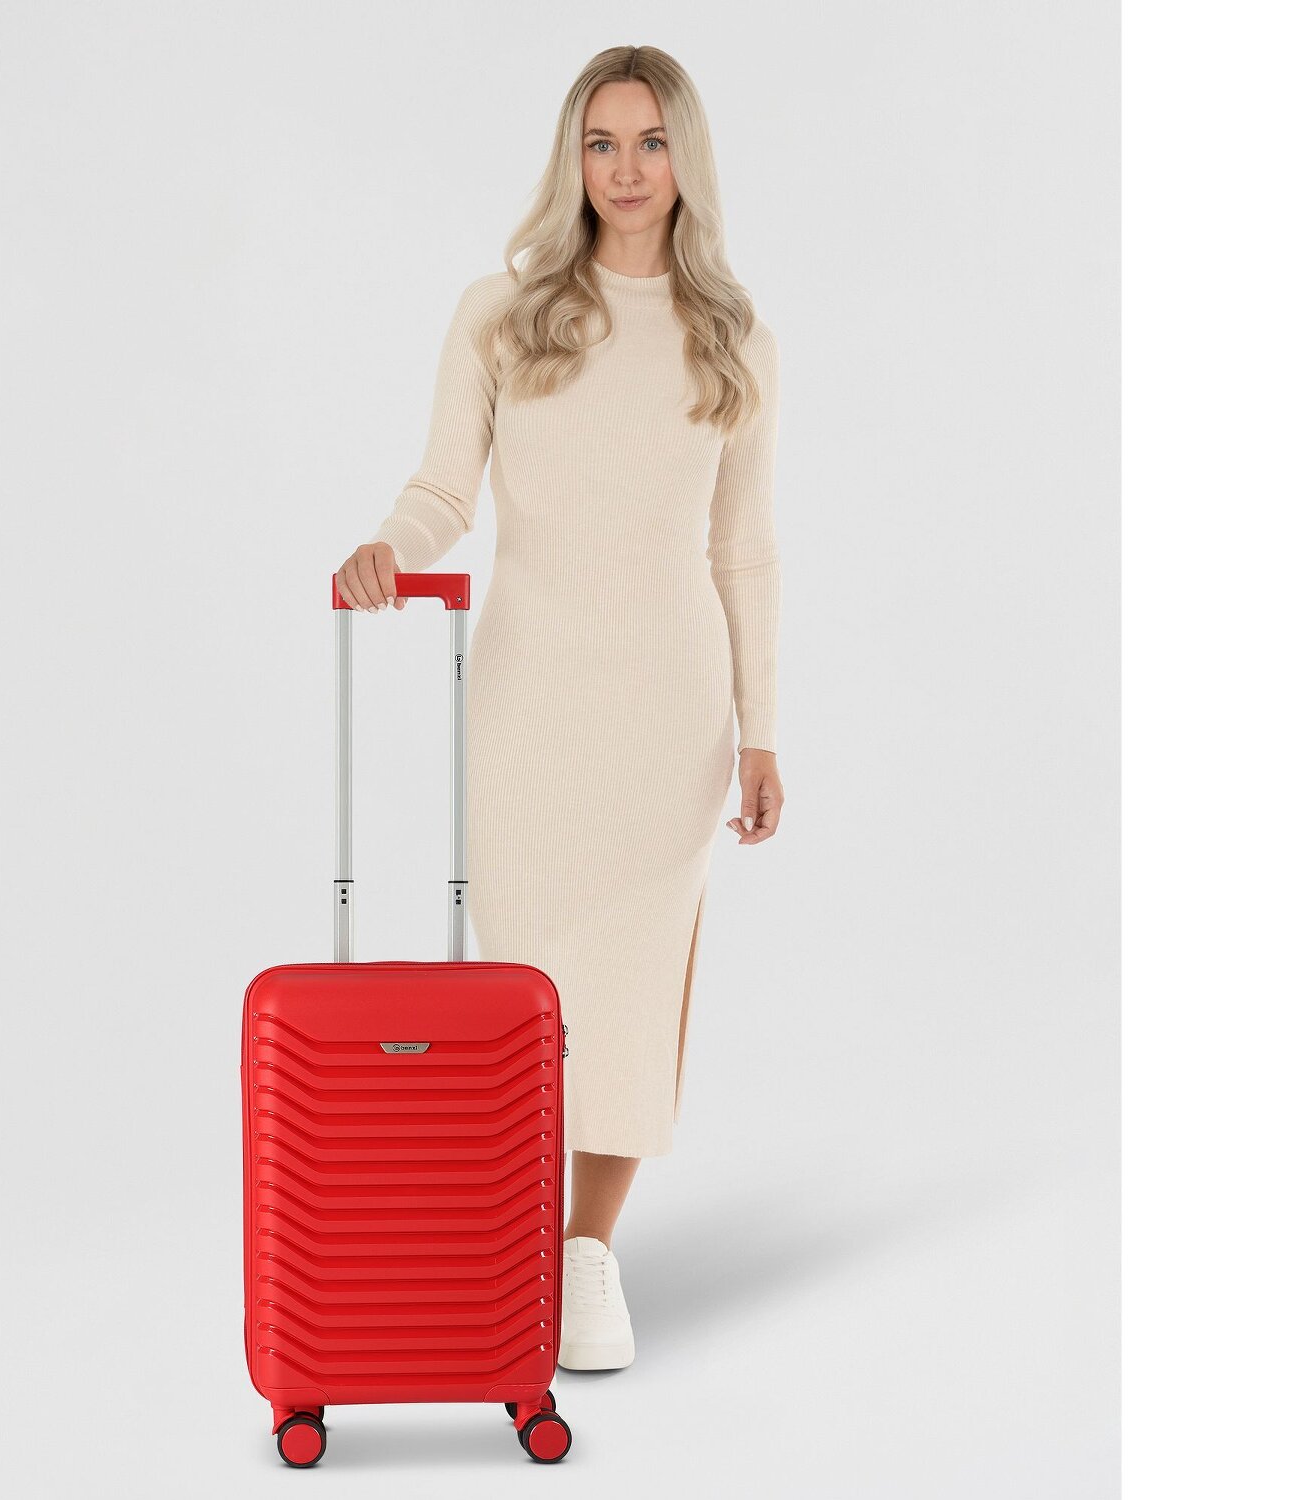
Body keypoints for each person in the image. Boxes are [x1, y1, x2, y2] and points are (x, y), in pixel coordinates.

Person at [335, 45, 785, 1372]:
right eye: (602, 143)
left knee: (632, 993)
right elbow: (443, 490)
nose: (626, 170)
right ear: (571, 159)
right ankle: (506, 1233)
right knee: (526, 988)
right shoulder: (502, 314)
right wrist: (387, 549)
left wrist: (762, 729)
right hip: (529, 702)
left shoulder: (735, 340)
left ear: (685, 157)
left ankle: (587, 1256)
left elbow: (745, 550)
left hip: (670, 713)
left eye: (651, 142)